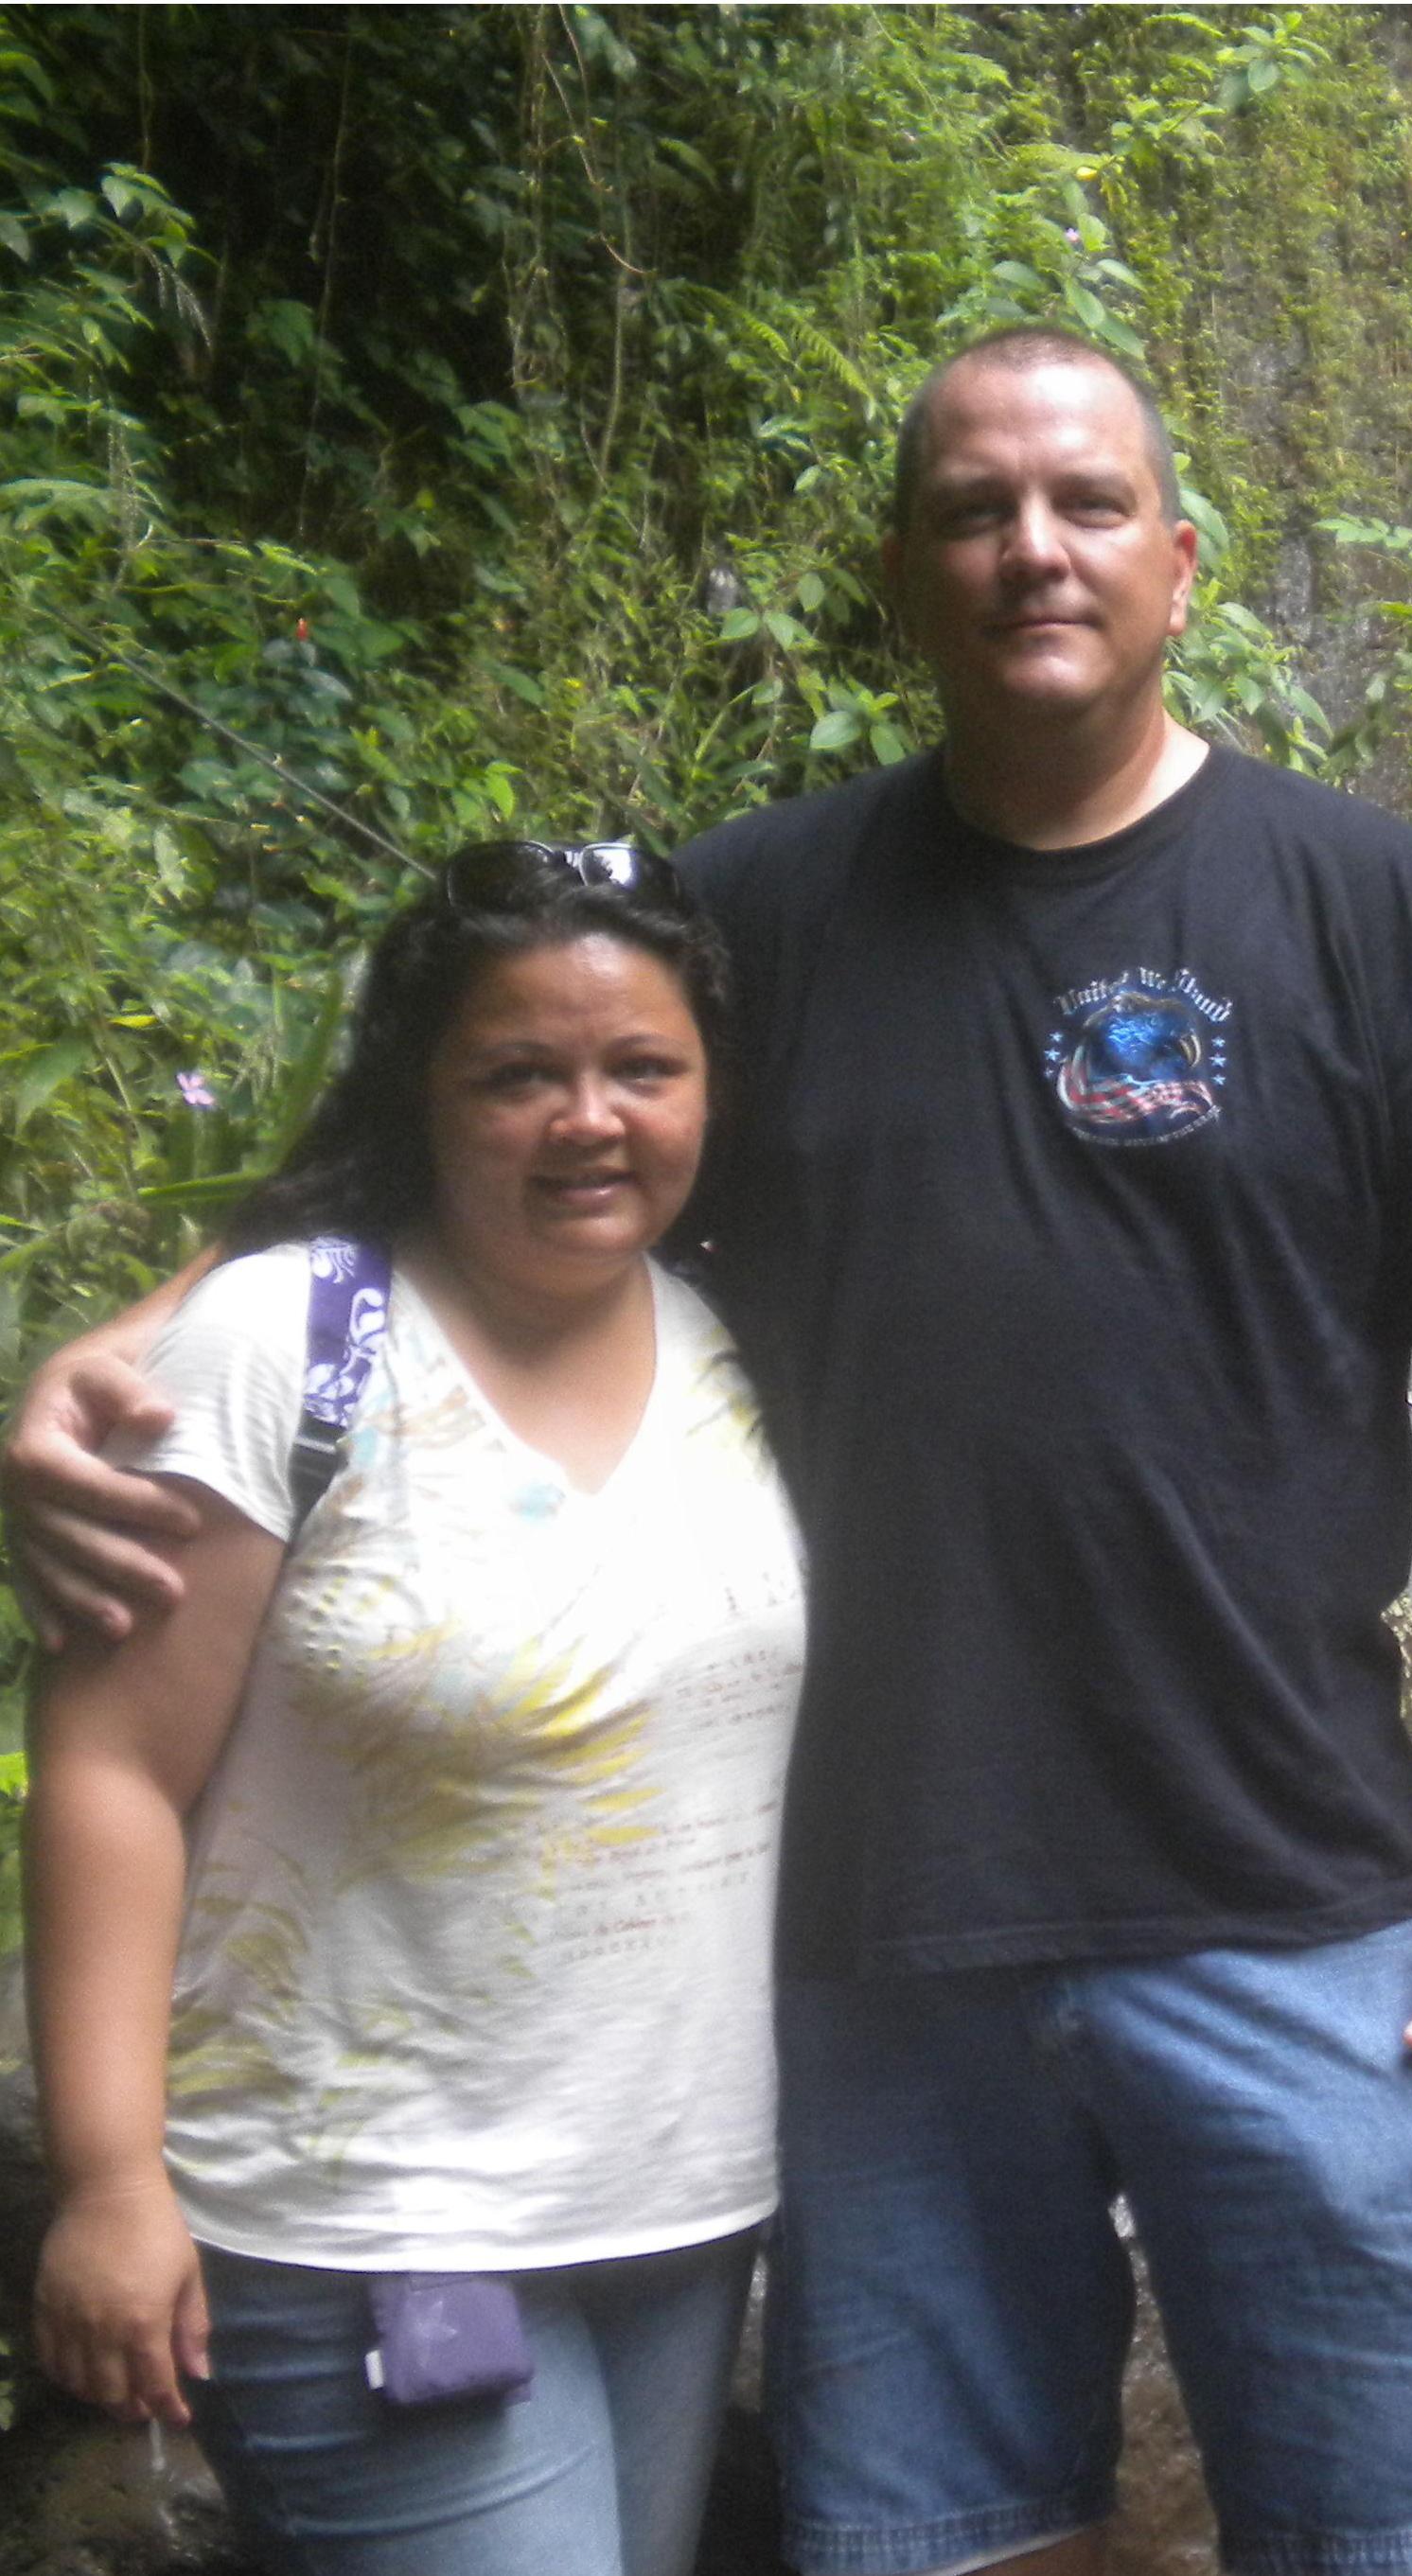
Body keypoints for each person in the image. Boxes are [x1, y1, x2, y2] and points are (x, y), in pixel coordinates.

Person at [8, 328, 1412, 2576]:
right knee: (942, 2542)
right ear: (897, 573)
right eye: (971, 510)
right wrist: (136, 1339)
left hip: (1292, 1899)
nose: (1028, 549)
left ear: (1179, 559)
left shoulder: (1357, 903)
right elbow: (484, 1118)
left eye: (1080, 505)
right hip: (875, 1943)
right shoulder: (760, 918)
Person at [20, 843, 806, 2576]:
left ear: (711, 1091)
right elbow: (108, 1769)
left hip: (675, 2205)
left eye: (640, 1069)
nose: (585, 1119)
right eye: (517, 1072)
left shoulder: (731, 1333)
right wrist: (107, 2176)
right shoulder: (285, 1344)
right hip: (366, 2219)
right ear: (424, 1092)